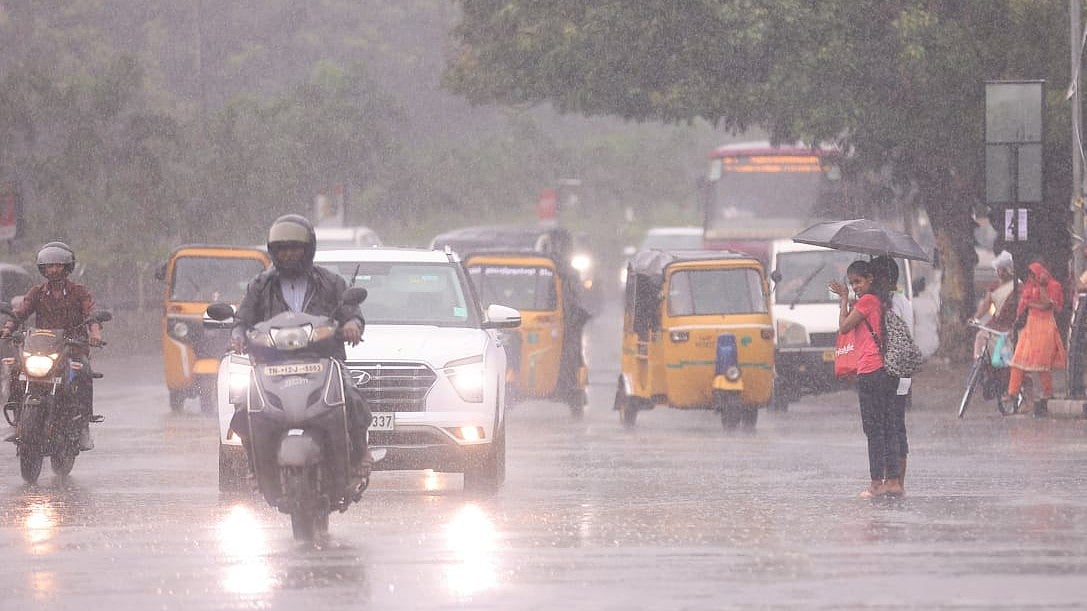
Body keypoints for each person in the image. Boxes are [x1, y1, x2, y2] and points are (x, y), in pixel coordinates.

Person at [230, 214, 372, 483]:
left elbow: (352, 312)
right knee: (243, 407)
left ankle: (360, 452)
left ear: (308, 249)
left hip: (323, 359)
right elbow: (242, 320)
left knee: (352, 397)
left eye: (295, 248)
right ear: (273, 251)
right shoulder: (259, 286)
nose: (289, 254)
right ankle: (254, 463)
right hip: (271, 364)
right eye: (282, 249)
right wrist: (237, 335)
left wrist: (353, 324)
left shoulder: (331, 282)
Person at [1, 242, 104, 451]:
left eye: (58, 265)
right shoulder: (36, 292)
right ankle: (18, 420)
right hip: (41, 348)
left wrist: (95, 334)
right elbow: (20, 312)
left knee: (84, 372)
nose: (54, 270)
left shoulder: (79, 292)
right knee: (16, 370)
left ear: (67, 267)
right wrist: (8, 329)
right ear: (43, 269)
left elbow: (91, 313)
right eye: (50, 266)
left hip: (73, 348)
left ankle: (84, 426)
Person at [830, 260, 902, 498]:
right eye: (852, 284)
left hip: (871, 370)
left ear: (870, 279)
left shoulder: (868, 301)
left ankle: (876, 483)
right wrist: (851, 300)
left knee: (873, 429)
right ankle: (893, 481)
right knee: (888, 426)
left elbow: (844, 326)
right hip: (886, 371)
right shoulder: (880, 300)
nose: (855, 287)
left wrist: (843, 299)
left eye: (858, 282)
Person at [870, 255, 913, 494]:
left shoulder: (891, 304)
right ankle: (897, 481)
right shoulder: (902, 301)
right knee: (896, 424)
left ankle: (893, 480)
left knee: (891, 426)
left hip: (891, 372)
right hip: (902, 372)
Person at [1005, 260, 1066, 414]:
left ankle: (1048, 391)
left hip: (1045, 327)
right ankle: (1012, 392)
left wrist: (1042, 287)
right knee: (1018, 360)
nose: (1031, 277)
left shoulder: (1053, 286)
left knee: (1041, 363)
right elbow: (1022, 306)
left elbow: (1047, 305)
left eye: (1033, 274)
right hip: (1030, 327)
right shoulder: (1029, 286)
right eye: (1030, 275)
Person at [970, 250, 1018, 359]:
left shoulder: (1017, 287)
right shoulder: (994, 287)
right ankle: (978, 361)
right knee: (981, 337)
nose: (1001, 273)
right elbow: (986, 306)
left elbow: (1021, 310)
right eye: (999, 270)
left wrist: (1015, 327)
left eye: (1004, 270)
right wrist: (975, 318)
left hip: (1010, 326)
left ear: (1010, 270)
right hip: (995, 324)